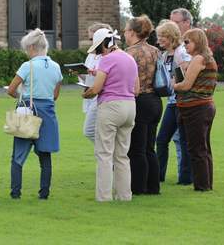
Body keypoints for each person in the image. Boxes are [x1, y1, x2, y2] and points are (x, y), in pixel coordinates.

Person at [82, 28, 139, 202]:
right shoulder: (130, 59)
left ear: (106, 44)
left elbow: (97, 88)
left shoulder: (107, 60)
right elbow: (137, 89)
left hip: (111, 107)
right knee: (122, 155)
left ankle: (104, 196)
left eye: (99, 49)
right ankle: (124, 195)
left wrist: (87, 93)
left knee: (104, 154)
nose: (100, 53)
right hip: (130, 106)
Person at [6, 29, 63, 200]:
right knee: (45, 156)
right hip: (48, 113)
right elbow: (55, 95)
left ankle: (16, 193)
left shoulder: (27, 66)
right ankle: (44, 194)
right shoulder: (55, 67)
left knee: (18, 156)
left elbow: (11, 90)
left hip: (27, 112)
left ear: (31, 47)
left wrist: (21, 96)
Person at [174, 28, 217, 191]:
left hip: (196, 108)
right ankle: (206, 184)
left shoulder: (199, 58)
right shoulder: (206, 58)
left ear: (197, 42)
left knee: (197, 149)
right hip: (204, 106)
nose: (184, 45)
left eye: (187, 42)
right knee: (203, 147)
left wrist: (174, 85)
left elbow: (186, 85)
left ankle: (202, 186)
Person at [124, 15, 161, 195]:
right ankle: (153, 187)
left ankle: (138, 187)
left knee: (136, 149)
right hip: (155, 100)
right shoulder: (155, 51)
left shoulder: (130, 53)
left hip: (140, 100)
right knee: (149, 148)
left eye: (125, 30)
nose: (124, 34)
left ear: (132, 32)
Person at [155, 20, 192, 185]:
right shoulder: (164, 55)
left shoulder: (180, 53)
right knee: (162, 139)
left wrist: (174, 81)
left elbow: (185, 74)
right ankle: (158, 175)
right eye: (159, 36)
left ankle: (185, 179)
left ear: (172, 36)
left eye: (163, 36)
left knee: (184, 141)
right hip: (172, 102)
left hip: (182, 102)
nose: (160, 39)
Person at [81, 23, 112, 142]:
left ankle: (107, 155)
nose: (92, 42)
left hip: (102, 96)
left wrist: (96, 74)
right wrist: (80, 73)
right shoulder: (90, 55)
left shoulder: (108, 55)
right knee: (96, 131)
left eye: (93, 38)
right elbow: (88, 78)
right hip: (91, 94)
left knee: (90, 130)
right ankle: (107, 156)